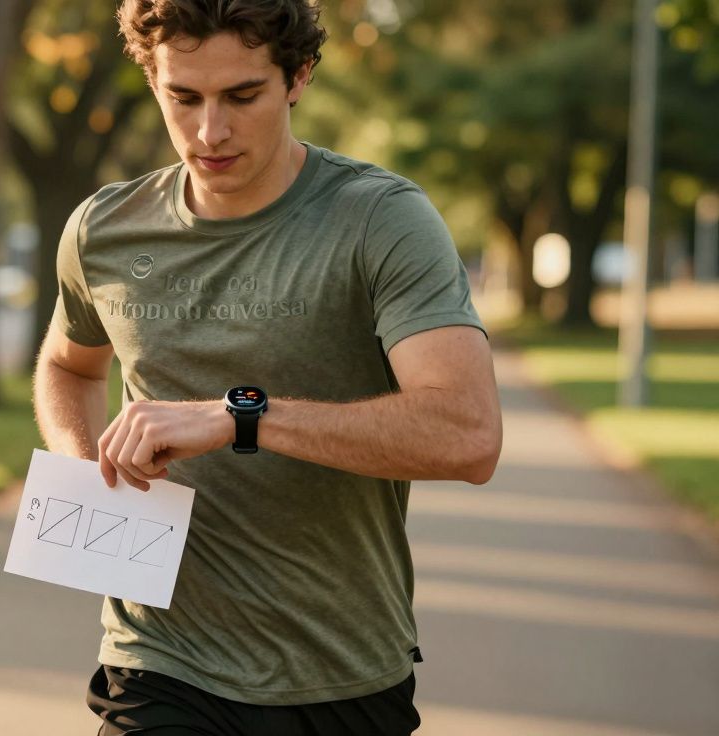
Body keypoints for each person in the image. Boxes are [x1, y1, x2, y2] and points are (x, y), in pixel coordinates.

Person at [32, 1, 503, 734]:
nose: (208, 131)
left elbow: (468, 434)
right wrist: (90, 473)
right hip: (160, 661)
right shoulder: (105, 228)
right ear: (151, 80)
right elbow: (67, 365)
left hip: (340, 673)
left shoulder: (380, 219)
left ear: (298, 77)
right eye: (182, 98)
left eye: (241, 96)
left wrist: (239, 418)